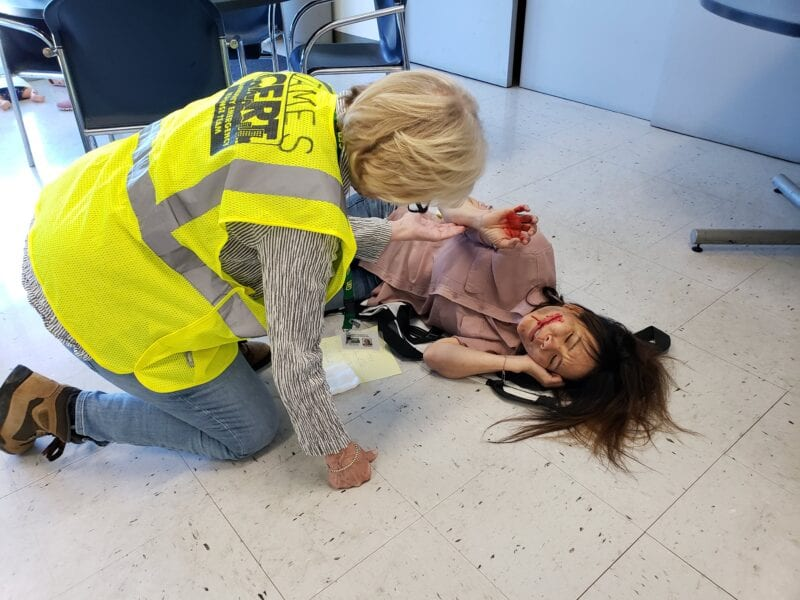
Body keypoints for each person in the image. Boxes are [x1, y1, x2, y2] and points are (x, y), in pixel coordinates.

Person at [0, 70, 487, 490]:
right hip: (89, 289)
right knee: (246, 432)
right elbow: (295, 351)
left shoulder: (303, 92)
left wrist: (395, 229)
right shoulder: (300, 230)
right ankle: (53, 408)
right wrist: (337, 452)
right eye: (420, 195)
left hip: (82, 210)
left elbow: (247, 216)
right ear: (397, 182)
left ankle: (224, 353)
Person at [351, 199, 682, 468]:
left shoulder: (504, 347)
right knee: (303, 229)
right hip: (389, 222)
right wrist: (479, 220)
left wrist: (520, 365)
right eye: (568, 338)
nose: (547, 342)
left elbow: (437, 356)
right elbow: (449, 201)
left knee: (298, 289)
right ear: (577, 312)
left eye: (551, 360)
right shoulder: (530, 254)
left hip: (370, 281)